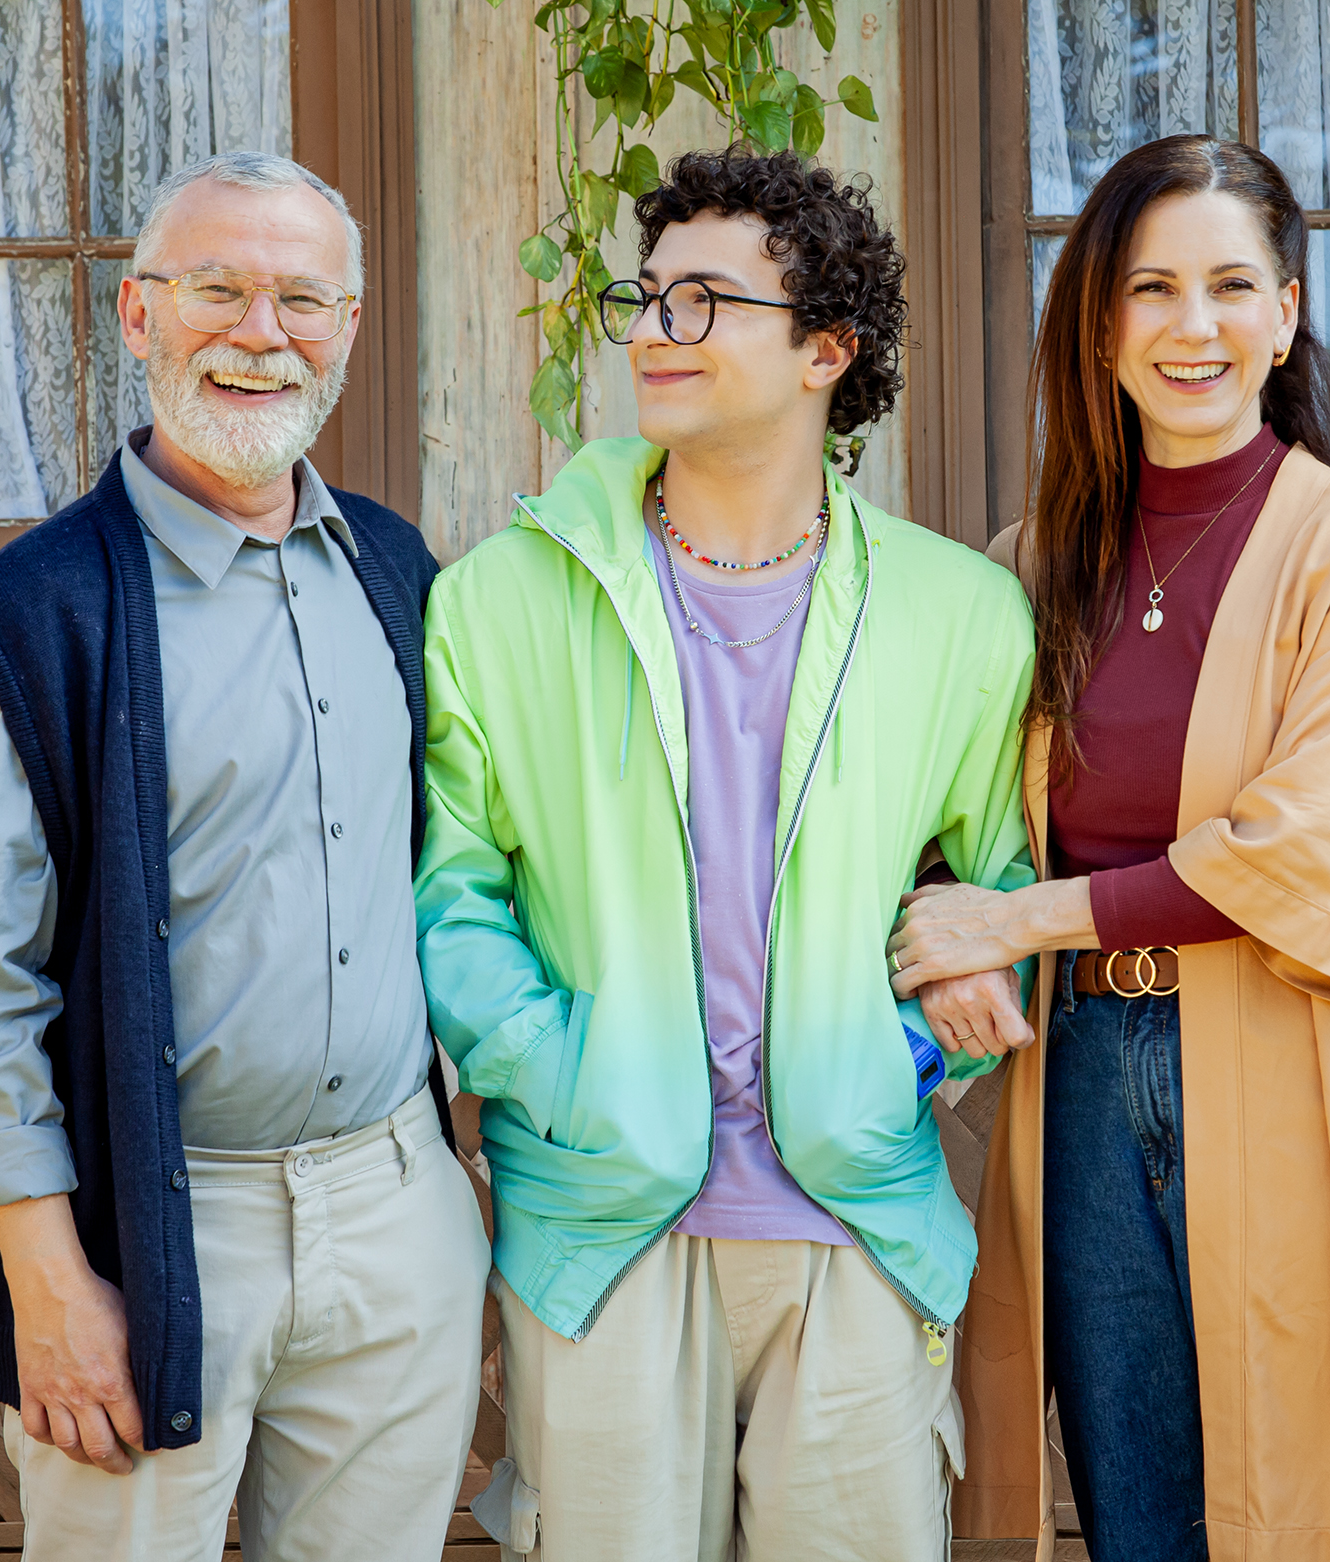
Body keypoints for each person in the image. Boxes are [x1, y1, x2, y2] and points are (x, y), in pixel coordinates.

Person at [415, 146, 1037, 1561]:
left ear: (828, 349)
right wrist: (552, 1065)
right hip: (601, 1218)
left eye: (702, 303)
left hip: (860, 1213)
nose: (650, 332)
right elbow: (453, 892)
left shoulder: (963, 615)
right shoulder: (498, 600)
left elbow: (1003, 886)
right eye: (644, 299)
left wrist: (920, 1050)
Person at [888, 135, 1330, 1561]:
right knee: (1137, 1515)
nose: (1193, 325)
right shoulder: (1029, 569)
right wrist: (935, 911)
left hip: (1298, 1070)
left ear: (1285, 314)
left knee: (1316, 1502)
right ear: (1102, 325)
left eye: (1231, 285)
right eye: (1151, 289)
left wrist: (1017, 922)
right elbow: (927, 809)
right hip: (1090, 1083)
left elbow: (1310, 847)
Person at [0, 151, 488, 1562]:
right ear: (136, 315)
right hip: (158, 1221)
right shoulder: (37, 615)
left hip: (395, 1200)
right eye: (217, 289)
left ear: (346, 328)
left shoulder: (395, 572)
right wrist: (45, 1280)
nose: (259, 331)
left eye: (301, 297)